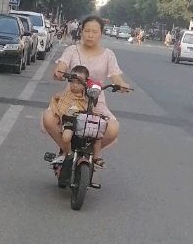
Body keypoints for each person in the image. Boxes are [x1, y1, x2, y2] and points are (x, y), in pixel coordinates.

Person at [43, 14, 130, 162]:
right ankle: (66, 151)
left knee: (113, 128)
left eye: (94, 32)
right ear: (81, 31)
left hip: (96, 102)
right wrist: (58, 72)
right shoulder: (72, 50)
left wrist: (122, 84)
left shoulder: (108, 55)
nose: (90, 35)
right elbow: (62, 66)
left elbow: (116, 76)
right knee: (49, 119)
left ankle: (89, 153)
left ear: (101, 33)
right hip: (71, 99)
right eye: (87, 31)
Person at [43, 64, 111, 177]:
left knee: (98, 134)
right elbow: (59, 108)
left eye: (79, 82)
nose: (75, 85)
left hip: (84, 124)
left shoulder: (88, 97)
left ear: (86, 83)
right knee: (66, 137)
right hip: (70, 122)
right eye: (72, 81)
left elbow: (95, 93)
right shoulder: (65, 96)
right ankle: (68, 153)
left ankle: (95, 158)